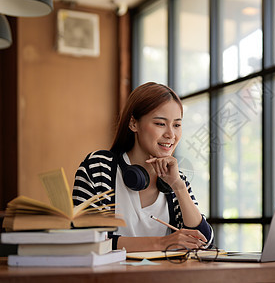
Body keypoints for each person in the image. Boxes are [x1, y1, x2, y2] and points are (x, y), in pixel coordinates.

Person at [72, 82, 214, 252]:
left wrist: (178, 186)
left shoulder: (177, 179)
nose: (171, 134)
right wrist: (162, 243)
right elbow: (85, 240)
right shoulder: (99, 167)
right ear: (133, 124)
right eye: (160, 124)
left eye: (176, 125)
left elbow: (205, 243)